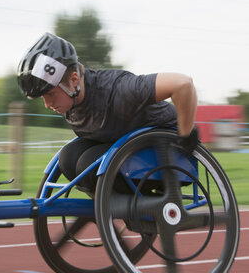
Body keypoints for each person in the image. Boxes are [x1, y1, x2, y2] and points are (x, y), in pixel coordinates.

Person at [17, 32, 198, 195]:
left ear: (73, 80)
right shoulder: (70, 101)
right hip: (124, 147)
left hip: (167, 149)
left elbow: (183, 84)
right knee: (68, 158)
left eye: (50, 94)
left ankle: (140, 205)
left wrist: (186, 134)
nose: (48, 104)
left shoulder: (120, 89)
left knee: (88, 164)